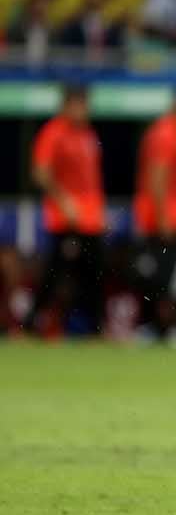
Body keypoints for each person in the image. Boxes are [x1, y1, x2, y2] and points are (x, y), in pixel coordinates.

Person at [28, 84, 105, 334]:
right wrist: (64, 202)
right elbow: (40, 173)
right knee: (54, 275)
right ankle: (30, 325)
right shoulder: (54, 132)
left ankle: (94, 329)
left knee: (93, 277)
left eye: (85, 103)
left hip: (90, 219)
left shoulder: (87, 134)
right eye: (78, 103)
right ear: (66, 105)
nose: (83, 108)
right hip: (65, 219)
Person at [132, 84, 176, 338]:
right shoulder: (166, 133)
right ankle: (157, 328)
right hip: (162, 219)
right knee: (162, 278)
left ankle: (168, 328)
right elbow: (157, 178)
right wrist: (163, 218)